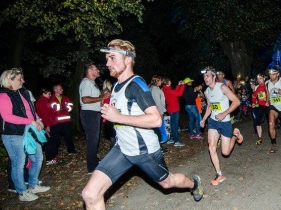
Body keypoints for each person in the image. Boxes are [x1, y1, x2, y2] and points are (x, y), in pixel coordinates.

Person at [81, 39, 203, 210]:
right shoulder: (116, 86)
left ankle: (193, 183)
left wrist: (118, 117)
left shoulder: (137, 85)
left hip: (144, 151)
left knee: (168, 183)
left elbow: (156, 119)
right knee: (90, 195)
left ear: (128, 59)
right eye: (107, 58)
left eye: (112, 58)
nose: (107, 63)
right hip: (123, 149)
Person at [0, 68, 50, 202]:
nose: (23, 81)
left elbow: (30, 110)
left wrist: (38, 119)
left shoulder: (23, 93)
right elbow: (7, 117)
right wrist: (30, 121)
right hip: (13, 133)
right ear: (10, 80)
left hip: (29, 131)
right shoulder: (3, 95)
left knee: (38, 158)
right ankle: (21, 191)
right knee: (18, 163)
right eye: (20, 79)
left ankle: (33, 184)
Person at [199, 66, 243, 186]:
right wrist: (203, 119)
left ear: (214, 76)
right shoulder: (206, 91)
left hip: (225, 122)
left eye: (207, 75)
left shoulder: (222, 87)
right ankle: (219, 174)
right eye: (204, 76)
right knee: (211, 147)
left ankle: (235, 134)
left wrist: (224, 113)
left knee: (225, 152)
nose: (205, 78)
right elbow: (209, 106)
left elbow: (236, 101)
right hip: (213, 122)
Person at [79, 64, 111, 174]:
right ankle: (91, 167)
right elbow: (85, 99)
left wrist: (102, 101)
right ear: (90, 70)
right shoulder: (86, 82)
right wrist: (102, 97)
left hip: (94, 114)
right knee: (92, 140)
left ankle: (95, 161)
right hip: (89, 114)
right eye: (96, 69)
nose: (98, 70)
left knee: (95, 140)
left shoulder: (92, 83)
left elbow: (95, 99)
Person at [47, 84, 76, 164]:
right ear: (55, 90)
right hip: (55, 122)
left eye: (62, 89)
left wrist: (61, 107)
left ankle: (71, 150)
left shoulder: (65, 98)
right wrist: (62, 107)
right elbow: (51, 109)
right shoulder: (50, 98)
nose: (62, 90)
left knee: (68, 136)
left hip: (66, 121)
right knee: (56, 139)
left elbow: (70, 107)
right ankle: (54, 154)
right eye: (60, 89)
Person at [35, 88, 61, 166]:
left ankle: (53, 157)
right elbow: (44, 115)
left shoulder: (47, 101)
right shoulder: (41, 102)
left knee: (55, 140)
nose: (50, 95)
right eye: (48, 93)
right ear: (43, 93)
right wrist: (47, 126)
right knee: (51, 141)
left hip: (53, 123)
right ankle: (49, 158)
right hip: (49, 124)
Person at [162, 77, 185, 147]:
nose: (171, 82)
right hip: (174, 109)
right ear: (168, 82)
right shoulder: (167, 90)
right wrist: (183, 85)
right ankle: (176, 141)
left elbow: (175, 93)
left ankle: (172, 139)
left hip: (171, 109)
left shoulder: (166, 89)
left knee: (172, 125)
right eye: (170, 81)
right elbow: (179, 94)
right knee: (175, 125)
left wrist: (178, 85)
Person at [148, 75, 169, 153]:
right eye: (160, 80)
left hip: (154, 111)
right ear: (156, 81)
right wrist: (161, 113)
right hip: (157, 112)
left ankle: (159, 146)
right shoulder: (155, 90)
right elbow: (158, 102)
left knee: (157, 130)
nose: (161, 82)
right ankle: (158, 147)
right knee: (159, 130)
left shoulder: (153, 88)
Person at [251, 73, 268, 145]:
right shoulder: (257, 87)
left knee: (271, 122)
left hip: (269, 106)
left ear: (264, 79)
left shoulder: (267, 85)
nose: (259, 80)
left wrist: (267, 100)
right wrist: (253, 103)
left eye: (260, 78)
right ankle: (260, 138)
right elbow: (254, 96)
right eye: (258, 79)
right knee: (257, 121)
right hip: (262, 106)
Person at [101, 79, 116, 150]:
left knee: (112, 136)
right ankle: (113, 152)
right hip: (110, 116)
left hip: (106, 117)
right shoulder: (110, 94)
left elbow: (101, 105)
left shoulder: (102, 94)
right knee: (114, 137)